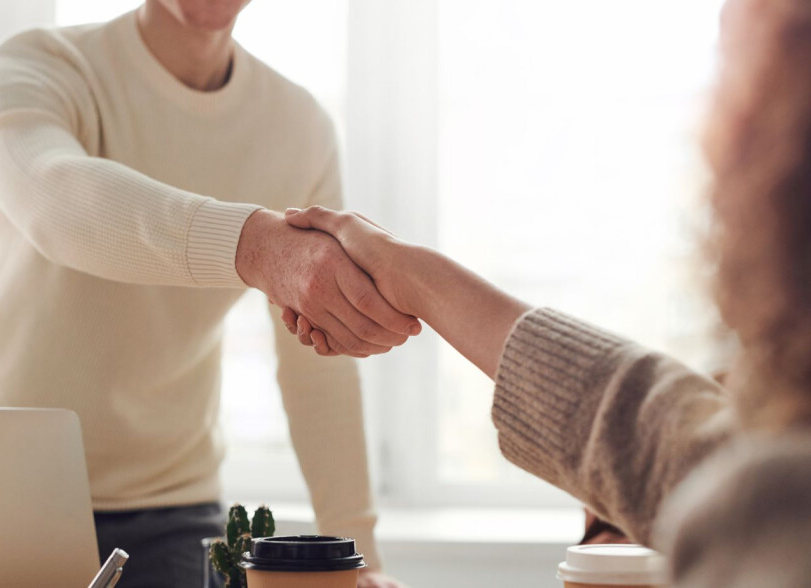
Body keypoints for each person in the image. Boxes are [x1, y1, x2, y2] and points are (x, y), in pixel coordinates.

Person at [280, 0, 811, 584]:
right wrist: (420, 279)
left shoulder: (774, 516)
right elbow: (682, 447)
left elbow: (703, 467)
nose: (710, 125)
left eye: (734, 75)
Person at [0, 0, 417, 586]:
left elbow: (316, 365)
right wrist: (254, 246)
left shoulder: (298, 127)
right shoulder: (37, 65)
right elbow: (57, 201)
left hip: (171, 510)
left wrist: (361, 558)